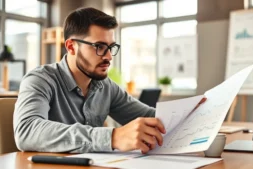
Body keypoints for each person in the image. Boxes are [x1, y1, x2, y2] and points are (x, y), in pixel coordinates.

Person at [13, 7, 165, 154]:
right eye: (99, 46)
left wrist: (186, 114)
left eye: (111, 47)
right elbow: (27, 130)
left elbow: (150, 117)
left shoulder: (107, 87)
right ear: (71, 47)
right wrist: (113, 137)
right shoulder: (40, 80)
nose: (108, 57)